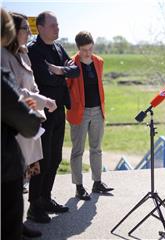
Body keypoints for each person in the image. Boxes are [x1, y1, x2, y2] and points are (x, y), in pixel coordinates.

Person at [26, 11, 80, 223]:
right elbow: (43, 78)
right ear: (40, 28)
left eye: (58, 25)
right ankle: (34, 205)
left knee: (55, 157)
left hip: (59, 112)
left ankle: (46, 198)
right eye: (53, 26)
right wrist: (60, 72)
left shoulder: (57, 47)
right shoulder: (33, 50)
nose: (57, 29)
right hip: (42, 113)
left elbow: (74, 70)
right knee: (42, 159)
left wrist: (59, 70)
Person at [1, 8, 42, 240]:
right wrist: (31, 114)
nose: (28, 32)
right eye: (25, 28)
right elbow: (26, 122)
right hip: (5, 157)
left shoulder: (23, 53)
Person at [66, 31, 113, 201]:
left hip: (97, 111)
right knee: (77, 151)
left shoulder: (99, 61)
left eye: (90, 49)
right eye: (84, 50)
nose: (88, 53)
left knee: (96, 149)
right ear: (78, 48)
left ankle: (97, 182)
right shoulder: (71, 63)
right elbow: (67, 88)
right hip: (79, 112)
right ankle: (79, 187)